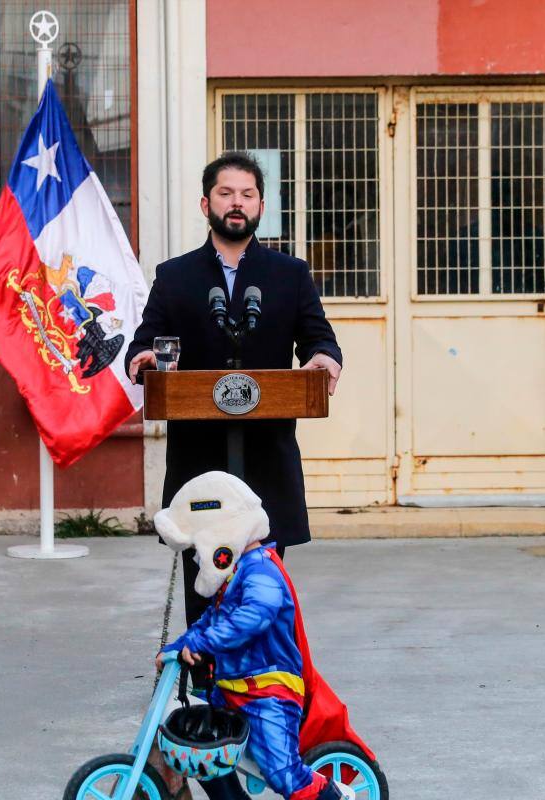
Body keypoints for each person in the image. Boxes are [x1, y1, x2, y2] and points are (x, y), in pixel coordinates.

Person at [125, 151, 342, 631]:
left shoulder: (290, 274)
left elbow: (318, 339)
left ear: (261, 205)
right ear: (206, 204)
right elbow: (145, 343)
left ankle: (264, 673)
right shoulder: (175, 276)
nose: (237, 203)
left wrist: (325, 357)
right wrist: (144, 359)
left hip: (266, 457)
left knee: (263, 593)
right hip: (199, 460)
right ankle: (203, 672)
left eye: (247, 194)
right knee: (204, 588)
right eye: (226, 193)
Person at [154, 471, 371, 800]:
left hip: (268, 691)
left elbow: (253, 617)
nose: (198, 557)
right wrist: (180, 645)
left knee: (283, 773)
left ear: (220, 538)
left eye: (198, 546)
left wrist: (202, 643)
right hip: (232, 687)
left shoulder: (261, 573)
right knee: (201, 748)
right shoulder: (236, 574)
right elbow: (211, 619)